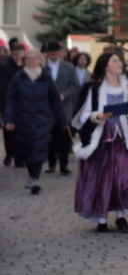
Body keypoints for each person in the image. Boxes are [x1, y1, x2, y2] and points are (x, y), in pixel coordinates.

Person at [72, 51, 128, 232]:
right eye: (115, 61)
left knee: (124, 176)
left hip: (124, 137)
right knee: (104, 178)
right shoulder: (94, 87)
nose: (119, 63)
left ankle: (121, 216)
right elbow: (83, 113)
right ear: (106, 66)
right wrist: (99, 116)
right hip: (102, 137)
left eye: (119, 61)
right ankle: (102, 218)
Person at [3, 49, 69, 194]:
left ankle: (35, 178)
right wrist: (8, 119)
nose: (31, 61)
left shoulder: (46, 77)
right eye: (28, 59)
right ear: (24, 61)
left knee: (39, 147)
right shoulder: (18, 77)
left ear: (40, 60)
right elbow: (10, 99)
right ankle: (31, 175)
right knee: (26, 148)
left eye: (34, 58)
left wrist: (62, 120)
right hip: (22, 119)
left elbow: (55, 100)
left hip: (42, 119)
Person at [43, 40, 79, 175]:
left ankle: (64, 164)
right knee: (50, 137)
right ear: (47, 54)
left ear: (61, 53)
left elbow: (74, 86)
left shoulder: (68, 67)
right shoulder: (42, 66)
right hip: (47, 107)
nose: (55, 56)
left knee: (64, 137)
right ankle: (51, 163)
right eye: (52, 53)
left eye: (57, 53)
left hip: (64, 107)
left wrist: (64, 95)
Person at [0, 38, 26, 166]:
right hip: (8, 103)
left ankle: (19, 158)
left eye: (20, 54)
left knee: (22, 131)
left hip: (24, 104)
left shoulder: (26, 65)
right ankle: (10, 153)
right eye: (15, 55)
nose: (17, 57)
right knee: (9, 131)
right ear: (11, 53)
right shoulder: (4, 65)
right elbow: (3, 87)